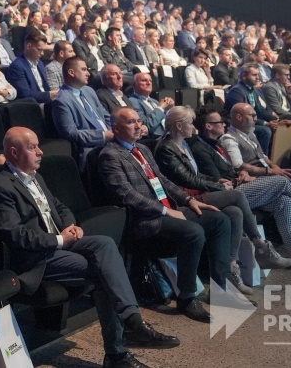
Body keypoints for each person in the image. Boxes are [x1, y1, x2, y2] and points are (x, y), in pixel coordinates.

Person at [0, 126, 180, 368]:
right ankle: (120, 350)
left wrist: (71, 226)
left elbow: (60, 207)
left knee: (105, 244)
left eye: (38, 145)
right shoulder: (0, 186)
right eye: (32, 147)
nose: (40, 152)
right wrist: (59, 240)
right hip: (37, 258)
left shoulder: (36, 177)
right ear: (13, 153)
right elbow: (13, 234)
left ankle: (131, 322)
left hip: (60, 244)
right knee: (104, 272)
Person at [158, 106, 291, 274]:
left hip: (225, 186)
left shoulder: (186, 145)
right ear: (180, 126)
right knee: (282, 182)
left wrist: (232, 177)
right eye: (190, 123)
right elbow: (189, 179)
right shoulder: (178, 147)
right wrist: (225, 182)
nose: (193, 126)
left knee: (283, 200)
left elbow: (207, 174)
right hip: (199, 196)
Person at [98, 107, 232, 323]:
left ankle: (221, 288)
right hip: (146, 219)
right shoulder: (110, 155)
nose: (138, 126)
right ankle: (187, 298)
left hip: (169, 209)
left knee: (220, 220)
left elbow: (163, 181)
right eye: (131, 122)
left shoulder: (142, 149)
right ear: (115, 127)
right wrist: (164, 210)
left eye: (138, 121)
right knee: (194, 231)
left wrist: (189, 200)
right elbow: (126, 195)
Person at [52, 56, 114, 170]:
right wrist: (103, 136)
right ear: (71, 72)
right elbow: (70, 134)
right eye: (84, 69)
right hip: (91, 147)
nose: (88, 73)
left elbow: (105, 116)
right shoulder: (61, 100)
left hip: (111, 140)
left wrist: (116, 130)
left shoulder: (89, 90)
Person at [7, 31, 56, 103]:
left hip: (47, 102)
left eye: (43, 50)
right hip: (33, 105)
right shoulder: (17, 67)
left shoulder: (40, 63)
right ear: (29, 46)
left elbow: (46, 87)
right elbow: (25, 95)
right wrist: (49, 95)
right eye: (39, 50)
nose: (42, 53)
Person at [127, 72, 173, 137]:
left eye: (150, 81)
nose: (149, 83)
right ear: (134, 85)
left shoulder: (154, 101)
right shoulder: (132, 101)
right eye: (144, 80)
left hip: (169, 135)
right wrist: (160, 108)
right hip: (155, 140)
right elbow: (146, 125)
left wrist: (170, 109)